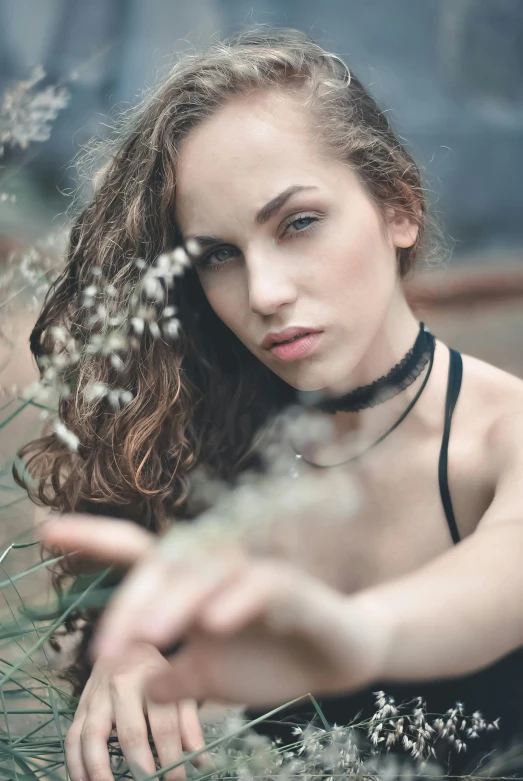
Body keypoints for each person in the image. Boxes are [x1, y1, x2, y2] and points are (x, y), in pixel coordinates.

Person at [18, 26, 523, 781]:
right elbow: (95, 580)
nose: (263, 293)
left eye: (298, 223)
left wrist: (354, 634)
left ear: (397, 208)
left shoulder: (503, 435)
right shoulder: (192, 440)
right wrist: (126, 647)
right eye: (218, 254)